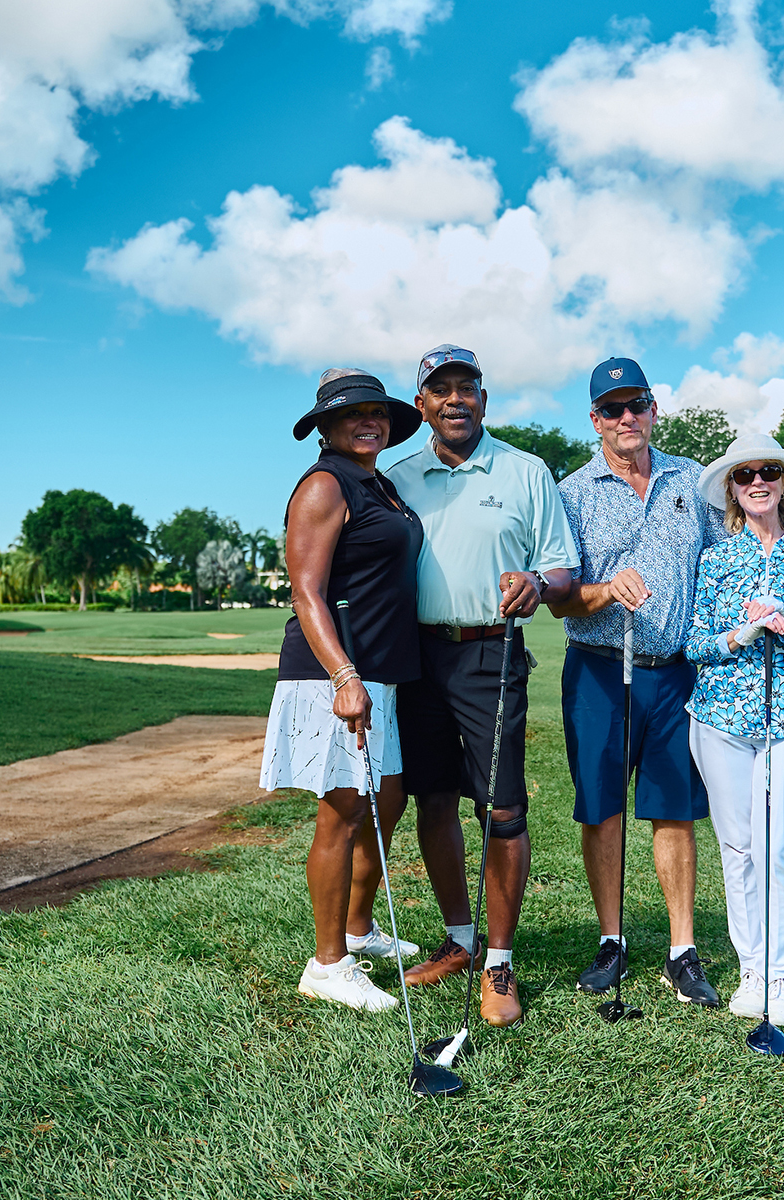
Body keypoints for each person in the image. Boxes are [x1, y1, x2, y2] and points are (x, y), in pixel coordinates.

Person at [552, 358, 784, 1009]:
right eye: (612, 408)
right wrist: (604, 590)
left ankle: (681, 951)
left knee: (674, 808)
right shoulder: (571, 493)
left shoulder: (690, 479)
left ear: (654, 410)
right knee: (602, 808)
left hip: (676, 673)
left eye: (637, 404)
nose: (627, 418)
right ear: (595, 419)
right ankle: (611, 940)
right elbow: (559, 598)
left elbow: (751, 529)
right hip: (599, 668)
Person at [385, 344, 578, 1028]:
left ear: (484, 400)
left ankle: (499, 961)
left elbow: (561, 567)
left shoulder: (525, 471)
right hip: (417, 656)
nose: (455, 400)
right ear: (422, 406)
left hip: (491, 652)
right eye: (441, 391)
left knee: (503, 809)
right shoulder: (397, 477)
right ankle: (459, 939)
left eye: (466, 388)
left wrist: (538, 583)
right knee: (433, 799)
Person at [260, 368, 426, 1012]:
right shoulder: (324, 485)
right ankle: (328, 965)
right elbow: (306, 592)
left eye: (377, 412)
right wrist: (344, 676)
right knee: (344, 812)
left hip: (380, 670)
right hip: (333, 673)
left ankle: (357, 928)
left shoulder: (377, 483)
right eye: (352, 414)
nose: (368, 422)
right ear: (325, 428)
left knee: (389, 799)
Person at [685, 432, 784, 1027]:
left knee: (779, 847)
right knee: (738, 848)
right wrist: (740, 635)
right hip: (720, 717)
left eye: (768, 472)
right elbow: (693, 642)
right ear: (732, 487)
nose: (757, 482)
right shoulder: (716, 558)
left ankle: (783, 977)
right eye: (744, 474)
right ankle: (752, 969)